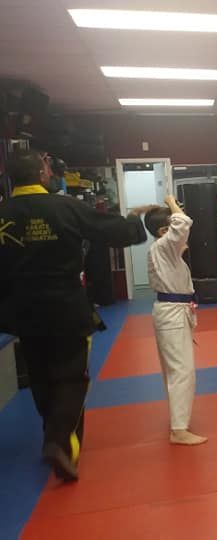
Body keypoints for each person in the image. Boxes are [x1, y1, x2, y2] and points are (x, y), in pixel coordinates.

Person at [0, 151, 147, 481]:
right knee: (71, 376)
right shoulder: (63, 207)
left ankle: (56, 441)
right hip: (64, 306)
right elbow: (112, 231)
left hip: (21, 311)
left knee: (39, 375)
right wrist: (135, 221)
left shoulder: (3, 213)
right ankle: (57, 442)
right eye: (48, 167)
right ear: (41, 172)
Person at [144, 195, 207, 446]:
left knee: (175, 371)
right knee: (182, 371)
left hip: (172, 312)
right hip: (171, 313)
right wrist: (171, 202)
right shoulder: (162, 247)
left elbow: (180, 225)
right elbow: (183, 222)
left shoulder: (168, 254)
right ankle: (178, 429)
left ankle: (177, 422)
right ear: (164, 231)